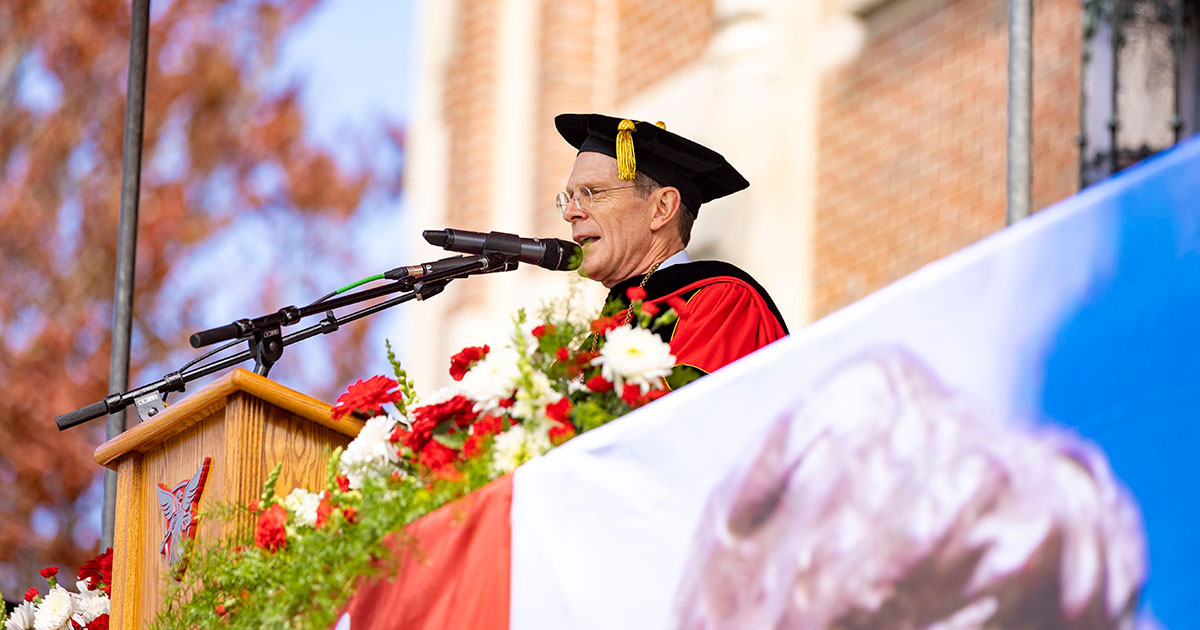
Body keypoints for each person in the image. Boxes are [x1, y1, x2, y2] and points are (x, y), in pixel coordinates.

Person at [555, 113, 788, 377]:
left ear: (661, 208)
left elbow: (695, 411)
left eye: (592, 193)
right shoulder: (594, 343)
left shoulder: (721, 302)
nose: (570, 213)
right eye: (570, 198)